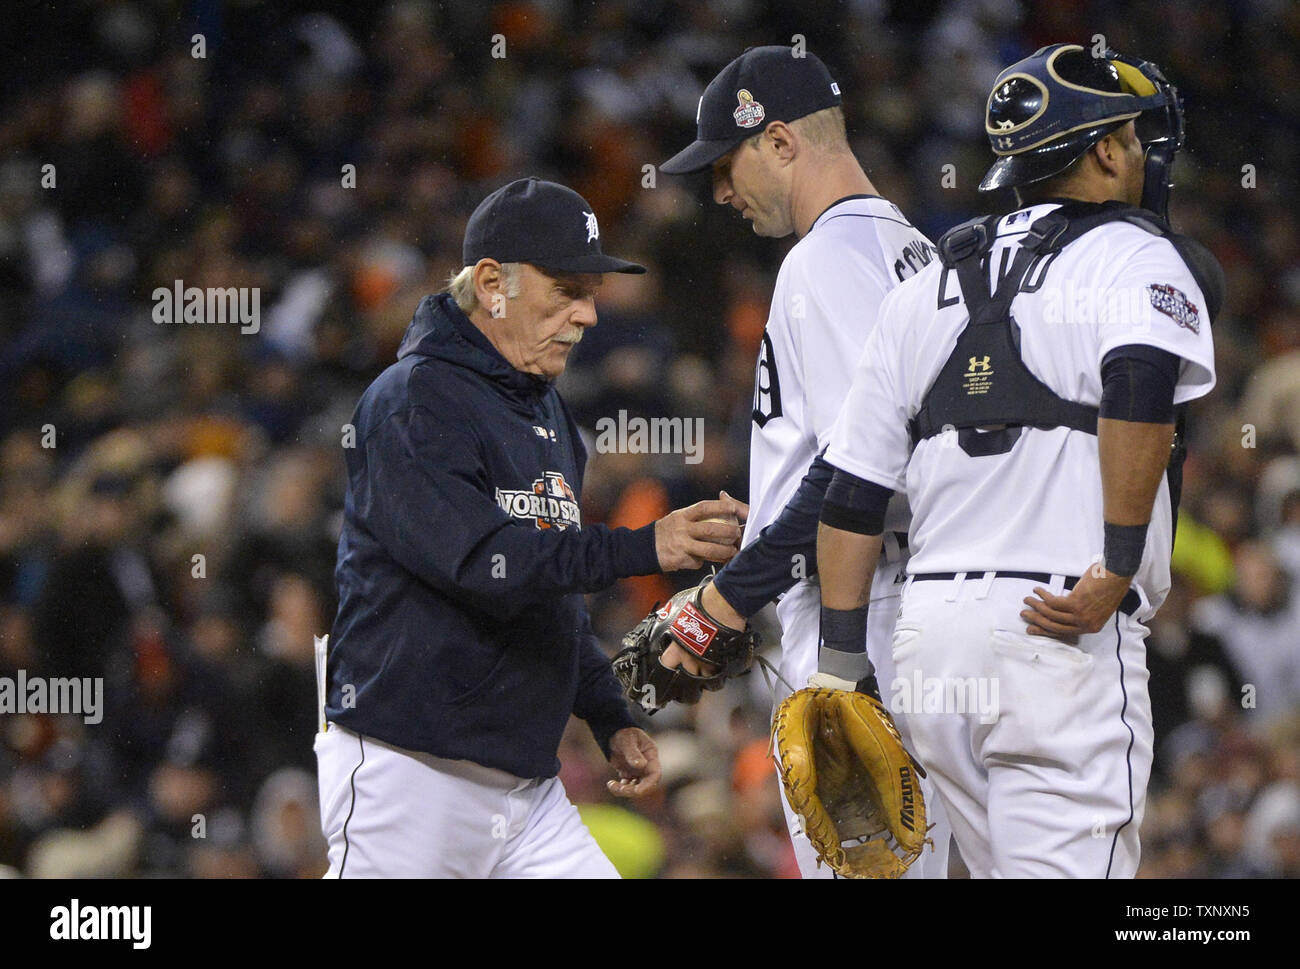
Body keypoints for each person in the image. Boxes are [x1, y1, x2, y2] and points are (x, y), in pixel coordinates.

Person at [813, 44, 1220, 877]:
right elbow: (1138, 385)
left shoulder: (925, 281)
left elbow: (851, 490)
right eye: (1135, 141)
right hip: (1056, 626)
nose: (1142, 157)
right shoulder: (1131, 254)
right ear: (1106, 150)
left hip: (931, 645)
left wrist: (842, 666)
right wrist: (1115, 561)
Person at [314, 177, 744, 878]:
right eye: (567, 291)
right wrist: (647, 545)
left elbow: (548, 589)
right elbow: (486, 562)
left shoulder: (546, 415)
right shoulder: (412, 403)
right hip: (409, 770)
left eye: (592, 294)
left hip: (527, 789)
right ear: (492, 284)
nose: (588, 316)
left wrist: (608, 712)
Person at [654, 44, 950, 878]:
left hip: (862, 616)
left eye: (725, 163)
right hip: (916, 597)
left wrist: (727, 597)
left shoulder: (822, 258)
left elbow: (863, 461)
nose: (719, 190)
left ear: (780, 142)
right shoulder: (919, 251)